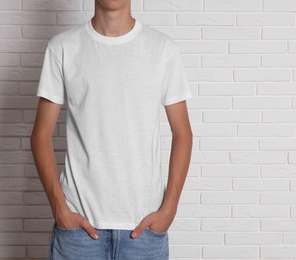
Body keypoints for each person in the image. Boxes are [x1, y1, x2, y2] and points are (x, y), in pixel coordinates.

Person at [30, 0, 193, 259]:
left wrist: (170, 208)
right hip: (78, 234)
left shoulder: (162, 49)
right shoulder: (63, 48)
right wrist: (59, 206)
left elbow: (182, 133)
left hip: (144, 233)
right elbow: (40, 135)